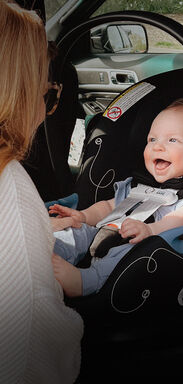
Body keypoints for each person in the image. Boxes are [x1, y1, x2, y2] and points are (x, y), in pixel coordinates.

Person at [50, 98, 183, 298]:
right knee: (76, 231)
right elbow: (108, 207)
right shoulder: (138, 185)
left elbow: (178, 221)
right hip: (103, 231)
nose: (157, 147)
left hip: (136, 246)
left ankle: (85, 282)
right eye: (152, 140)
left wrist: (150, 230)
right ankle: (50, 250)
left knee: (126, 256)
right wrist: (82, 216)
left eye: (172, 140)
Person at [0, 2, 83, 383]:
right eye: (47, 95)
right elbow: (39, 357)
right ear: (18, 96)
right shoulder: (11, 193)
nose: (44, 109)